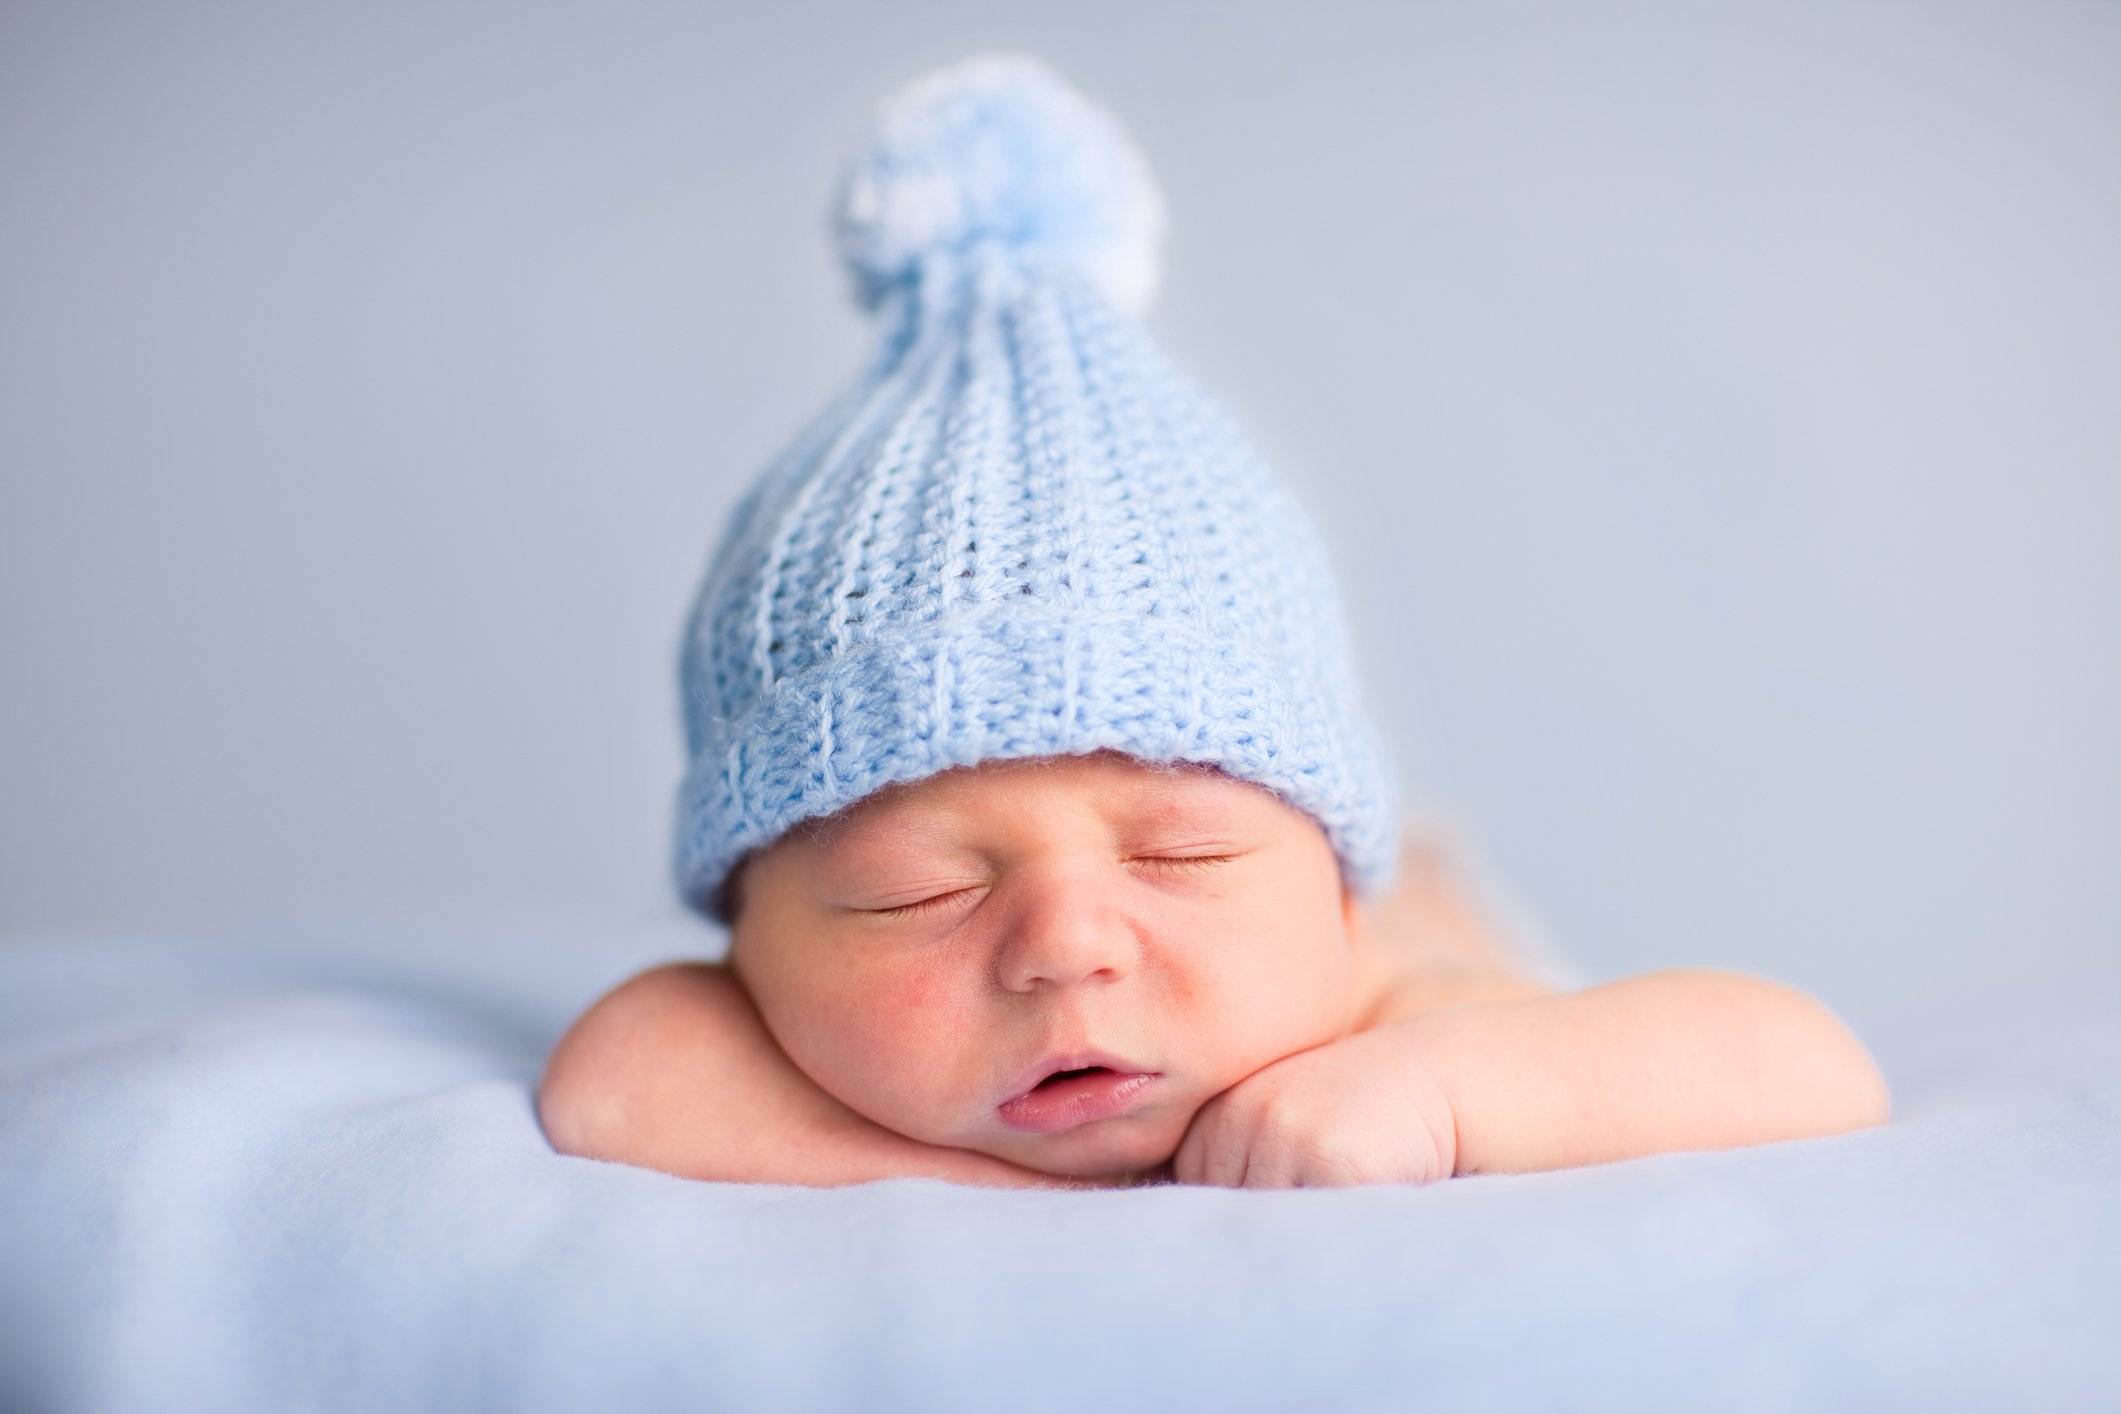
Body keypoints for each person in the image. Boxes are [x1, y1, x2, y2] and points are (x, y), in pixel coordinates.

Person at [537, 53, 1889, 1191]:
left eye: (1182, 851)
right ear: (745, 932)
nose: (1069, 942)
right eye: (917, 889)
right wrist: (992, 1192)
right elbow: (614, 1080)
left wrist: (1444, 1093)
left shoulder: (1391, 1000)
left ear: (1328, 889)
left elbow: (1806, 1065)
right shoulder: (739, 1021)